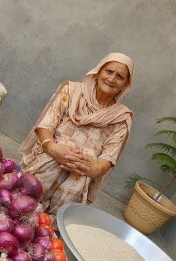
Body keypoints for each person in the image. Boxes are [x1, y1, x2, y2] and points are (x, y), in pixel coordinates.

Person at [18, 52, 135, 220]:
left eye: (120, 77)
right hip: (47, 161)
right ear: (98, 72)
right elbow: (45, 125)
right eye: (109, 71)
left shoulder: (121, 118)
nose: (111, 79)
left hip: (78, 178)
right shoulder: (71, 91)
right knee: (20, 205)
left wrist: (87, 166)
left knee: (47, 229)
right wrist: (52, 148)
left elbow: (107, 160)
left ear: (125, 85)